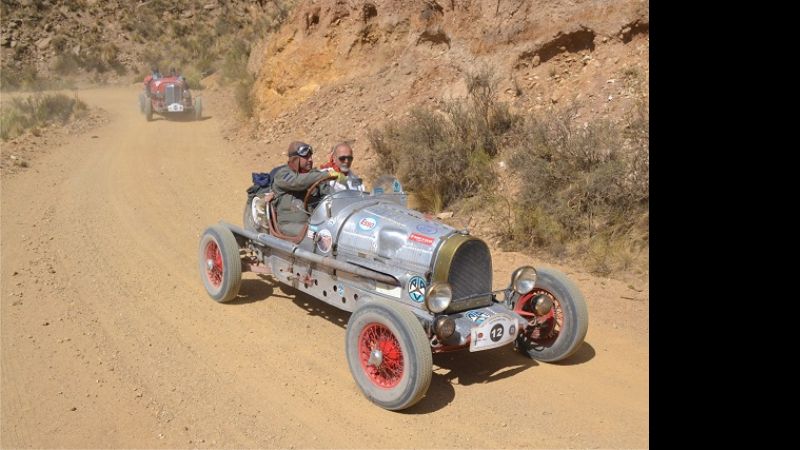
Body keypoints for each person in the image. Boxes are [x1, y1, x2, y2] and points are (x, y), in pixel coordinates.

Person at [271, 141, 334, 236]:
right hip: (289, 225)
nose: (310, 160)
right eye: (306, 157)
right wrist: (326, 175)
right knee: (316, 235)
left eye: (311, 156)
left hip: (313, 223)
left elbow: (329, 196)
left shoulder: (315, 175)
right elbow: (298, 182)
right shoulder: (282, 174)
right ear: (295, 159)